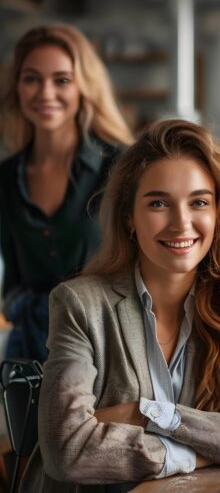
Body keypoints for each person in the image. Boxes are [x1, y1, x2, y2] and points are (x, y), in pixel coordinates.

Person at [20, 119, 220, 491]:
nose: (181, 223)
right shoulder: (80, 304)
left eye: (199, 202)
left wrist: (147, 414)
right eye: (158, 203)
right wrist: (202, 445)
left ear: (218, 213)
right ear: (130, 217)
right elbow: (67, 450)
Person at [0, 24, 133, 362]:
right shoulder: (5, 177)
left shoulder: (121, 167)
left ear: (83, 88)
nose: (45, 93)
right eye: (31, 78)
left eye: (61, 80)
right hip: (28, 356)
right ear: (16, 88)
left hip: (106, 351)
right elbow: (13, 278)